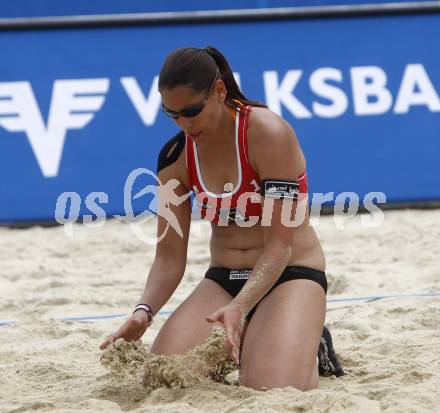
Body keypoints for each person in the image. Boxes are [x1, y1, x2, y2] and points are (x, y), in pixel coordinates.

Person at [100, 46, 344, 390]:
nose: (184, 124)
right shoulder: (175, 158)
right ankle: (258, 338)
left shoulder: (267, 133)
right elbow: (168, 257)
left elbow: (279, 246)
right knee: (164, 382)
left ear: (219, 91)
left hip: (289, 274)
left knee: (270, 390)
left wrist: (241, 306)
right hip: (223, 279)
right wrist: (144, 311)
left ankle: (309, 340)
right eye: (172, 114)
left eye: (192, 111)